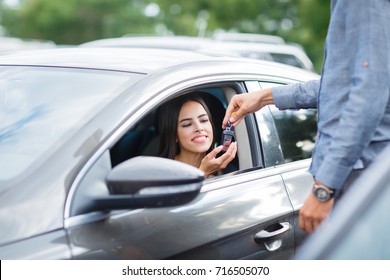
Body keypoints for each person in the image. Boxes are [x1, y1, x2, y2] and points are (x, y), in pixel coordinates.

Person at [223, 0, 390, 233]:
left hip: (359, 174)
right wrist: (263, 97)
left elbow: (367, 96)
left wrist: (324, 188)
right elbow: (338, 86)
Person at [159, 93, 237, 178]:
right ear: (174, 135)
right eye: (187, 124)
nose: (199, 128)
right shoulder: (161, 173)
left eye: (203, 120)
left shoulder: (228, 171)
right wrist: (204, 173)